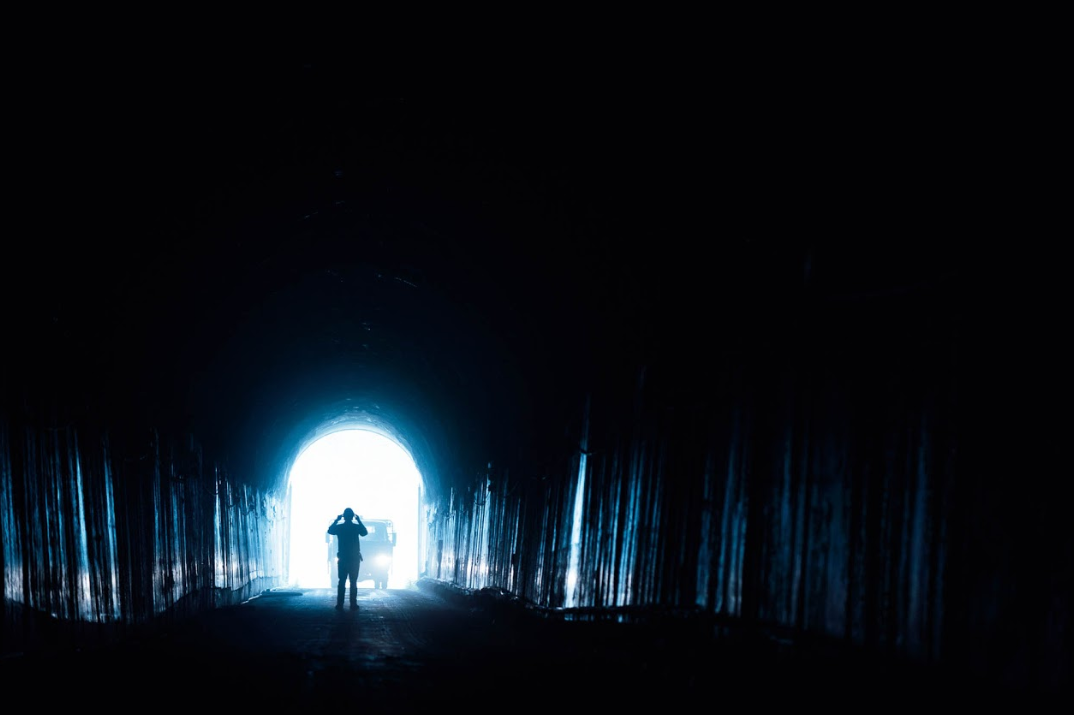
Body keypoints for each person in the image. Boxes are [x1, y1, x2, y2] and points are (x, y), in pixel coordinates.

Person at [327, 508, 368, 609]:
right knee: (353, 581)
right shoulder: (356, 527)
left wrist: (337, 520)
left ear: (344, 516)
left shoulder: (340, 528)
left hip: (343, 557)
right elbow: (364, 533)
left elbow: (330, 530)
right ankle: (353, 604)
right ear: (352, 516)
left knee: (342, 581)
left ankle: (340, 604)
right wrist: (358, 520)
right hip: (354, 558)